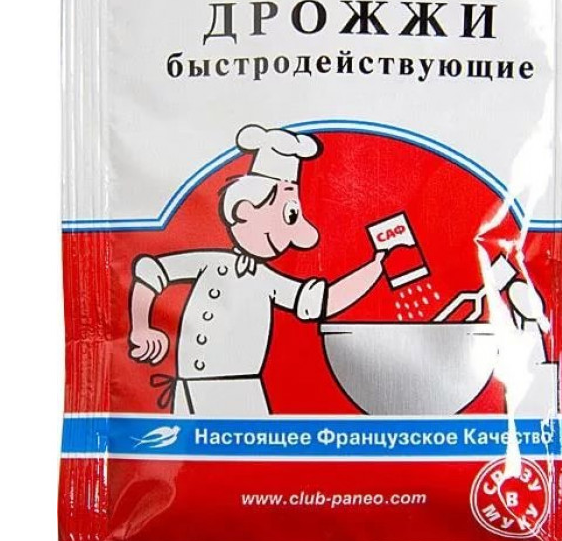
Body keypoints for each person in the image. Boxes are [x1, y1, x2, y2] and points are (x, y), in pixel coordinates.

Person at [128, 124, 385, 415]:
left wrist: (375, 266)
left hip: (239, 395)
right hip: (185, 393)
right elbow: (151, 273)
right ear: (245, 209)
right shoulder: (210, 262)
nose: (299, 234)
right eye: (290, 214)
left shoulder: (266, 280)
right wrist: (141, 327)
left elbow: (322, 302)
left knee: (251, 445)